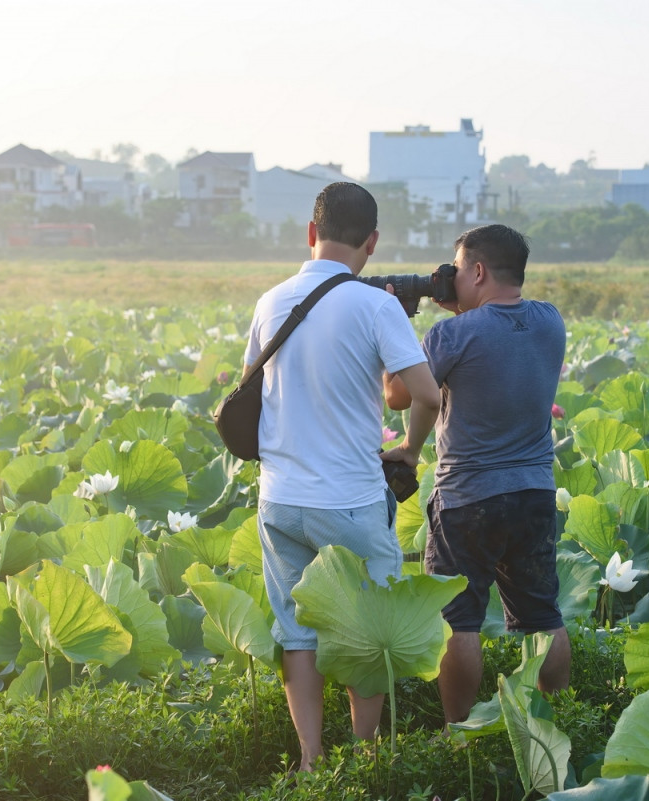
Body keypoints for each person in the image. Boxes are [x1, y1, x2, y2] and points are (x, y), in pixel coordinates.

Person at [245, 182, 441, 771]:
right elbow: (426, 394)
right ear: (372, 242)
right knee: (369, 628)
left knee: (297, 632)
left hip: (280, 499)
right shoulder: (375, 306)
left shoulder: (270, 302)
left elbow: (249, 388)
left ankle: (310, 760)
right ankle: (363, 756)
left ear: (311, 233)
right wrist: (409, 449)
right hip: (350, 501)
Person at [384, 223, 569, 724]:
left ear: (479, 271)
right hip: (534, 492)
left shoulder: (451, 335)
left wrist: (396, 320)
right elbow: (499, 336)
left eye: (460, 270)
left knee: (458, 621)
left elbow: (397, 395)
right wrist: (465, 307)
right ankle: (559, 718)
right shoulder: (550, 322)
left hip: (467, 498)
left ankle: (457, 731)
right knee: (544, 617)